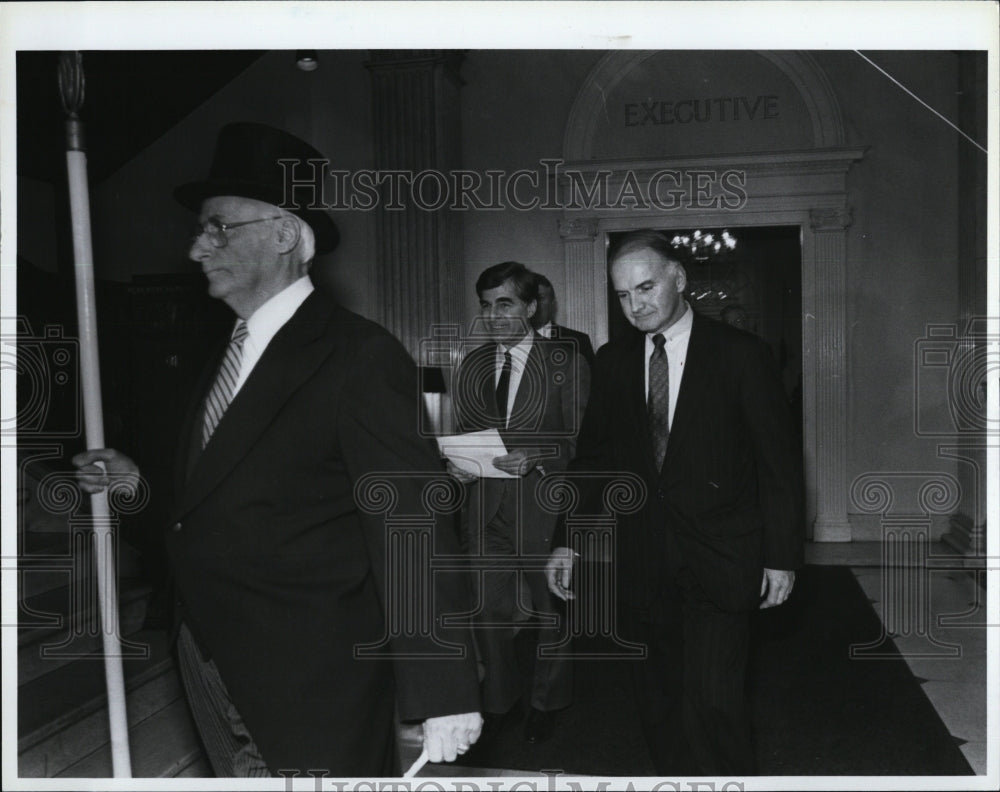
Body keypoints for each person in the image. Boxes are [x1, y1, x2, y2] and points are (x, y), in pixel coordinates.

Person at [74, 122, 481, 777]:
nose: (196, 246)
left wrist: (445, 692)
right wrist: (135, 487)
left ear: (286, 234)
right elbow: (214, 502)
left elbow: (412, 525)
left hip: (308, 677)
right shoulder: (221, 358)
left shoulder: (358, 356)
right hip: (206, 653)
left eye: (217, 227)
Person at [546, 230, 803, 776]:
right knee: (657, 701)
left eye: (645, 288)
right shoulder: (614, 361)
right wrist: (565, 542)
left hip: (721, 556)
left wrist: (780, 555)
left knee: (714, 702)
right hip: (641, 559)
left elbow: (777, 465)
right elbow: (591, 461)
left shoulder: (741, 355)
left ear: (679, 279)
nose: (635, 306)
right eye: (622, 295)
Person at [448, 262, 589, 745]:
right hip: (484, 508)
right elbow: (465, 435)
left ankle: (548, 702)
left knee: (552, 612)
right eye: (485, 306)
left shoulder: (565, 360)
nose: (492, 315)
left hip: (544, 508)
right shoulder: (471, 364)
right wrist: (457, 465)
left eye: (504, 303)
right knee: (489, 612)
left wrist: (539, 455)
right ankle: (501, 702)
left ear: (530, 307)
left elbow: (583, 442)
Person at [531, 273, 596, 369]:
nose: (535, 305)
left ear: (552, 303)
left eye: (540, 298)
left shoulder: (578, 341)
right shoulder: (511, 341)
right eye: (530, 299)